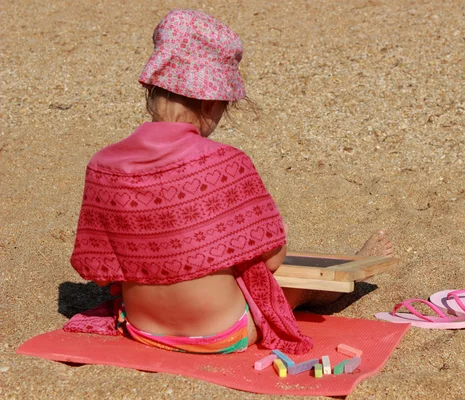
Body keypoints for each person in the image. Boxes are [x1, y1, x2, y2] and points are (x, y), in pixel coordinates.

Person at [70, 9, 393, 356]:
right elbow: (270, 259)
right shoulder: (224, 162)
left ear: (151, 87)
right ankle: (357, 268)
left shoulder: (103, 165)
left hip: (141, 328)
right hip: (222, 333)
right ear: (211, 103)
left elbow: (99, 269)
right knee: (297, 289)